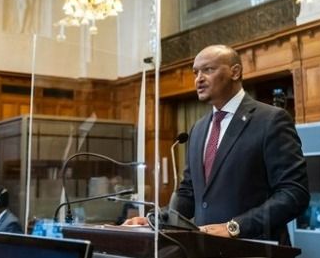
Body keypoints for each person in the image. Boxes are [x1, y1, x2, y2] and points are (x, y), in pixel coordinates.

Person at [123, 45, 309, 245]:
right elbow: (189, 192)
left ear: (235, 72)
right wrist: (156, 219)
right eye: (196, 72)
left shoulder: (270, 120)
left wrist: (235, 227)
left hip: (255, 248)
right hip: (205, 249)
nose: (199, 79)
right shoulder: (198, 129)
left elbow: (294, 193)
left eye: (208, 70)